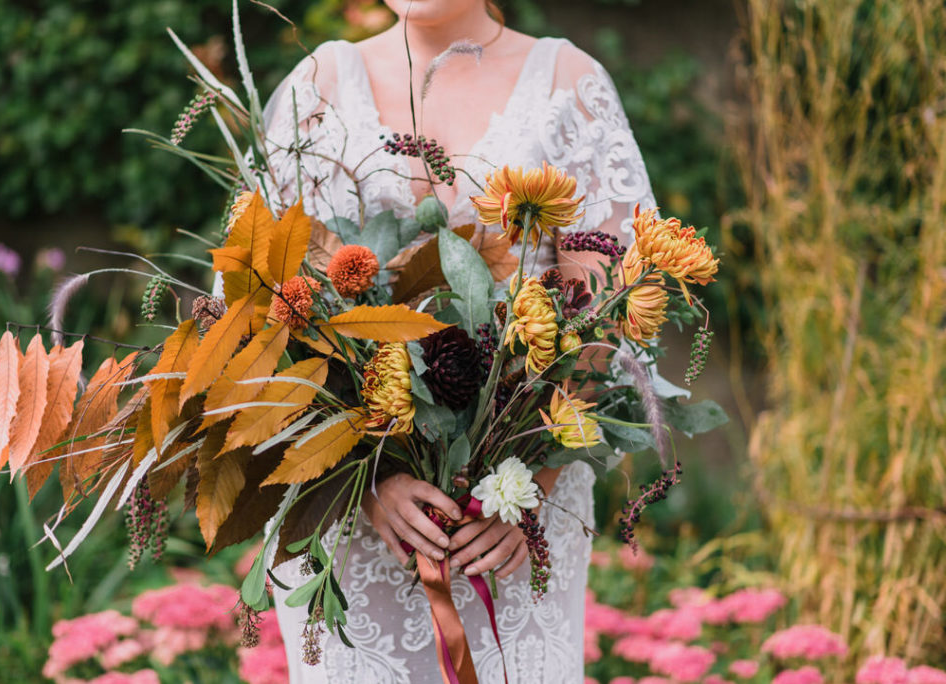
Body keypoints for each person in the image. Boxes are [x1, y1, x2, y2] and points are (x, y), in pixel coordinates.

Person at [256, 1, 656, 681]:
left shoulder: (567, 84)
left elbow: (606, 319)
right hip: (350, 516)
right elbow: (269, 311)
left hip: (507, 527)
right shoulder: (315, 87)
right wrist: (368, 480)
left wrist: (524, 487)